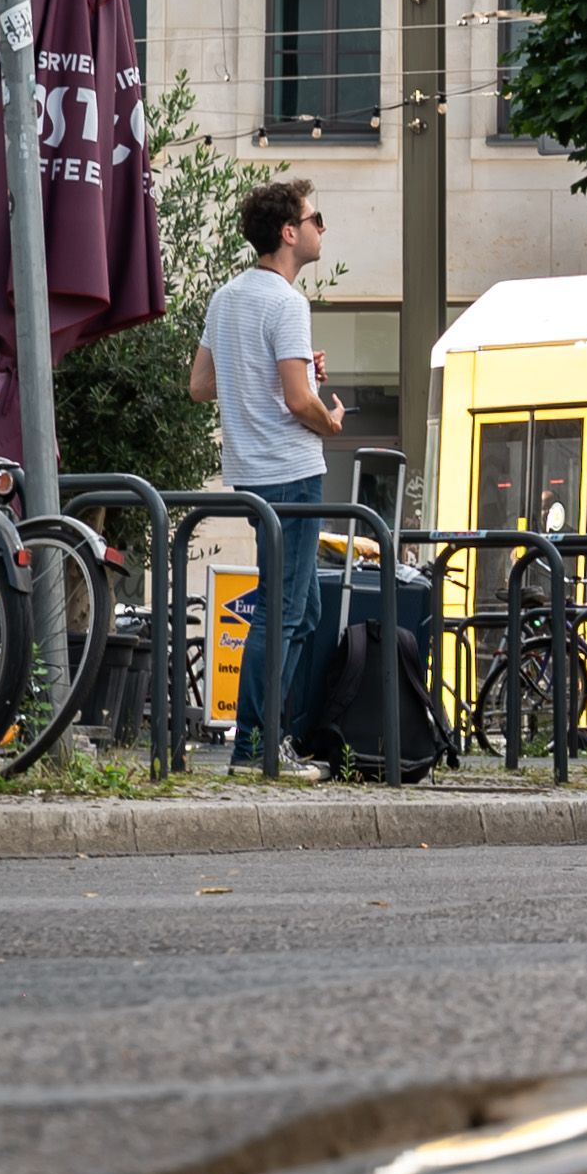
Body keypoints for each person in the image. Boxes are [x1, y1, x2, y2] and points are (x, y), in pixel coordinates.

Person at [189, 180, 342, 761]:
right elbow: (301, 403)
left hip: (251, 471)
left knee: (304, 609)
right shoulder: (287, 301)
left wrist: (285, 373)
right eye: (315, 219)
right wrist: (330, 420)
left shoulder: (227, 298)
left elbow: (201, 386)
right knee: (283, 612)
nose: (321, 229)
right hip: (292, 469)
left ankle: (270, 735)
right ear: (288, 233)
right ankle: (254, 744)